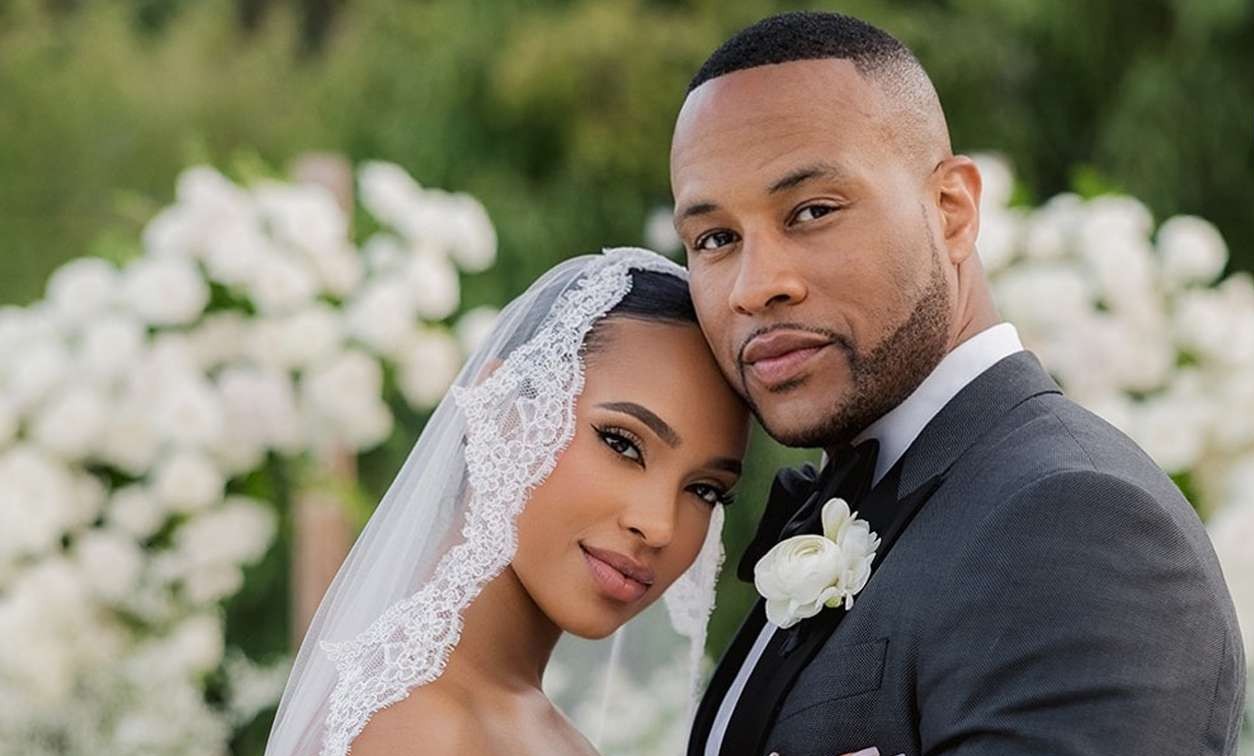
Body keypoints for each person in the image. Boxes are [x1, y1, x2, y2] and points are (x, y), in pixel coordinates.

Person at [670, 11, 1246, 756]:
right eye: (716, 238)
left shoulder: (1072, 522)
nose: (756, 286)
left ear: (952, 212)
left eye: (812, 212)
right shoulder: (886, 496)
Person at [264, 248, 750, 755]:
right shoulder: (416, 732)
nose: (660, 526)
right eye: (622, 443)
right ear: (500, 408)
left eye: (705, 490)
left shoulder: (541, 734)